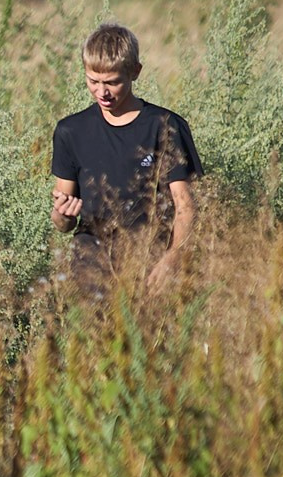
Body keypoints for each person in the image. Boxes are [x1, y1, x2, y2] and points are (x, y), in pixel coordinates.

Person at [50, 23, 201, 293]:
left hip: (149, 260)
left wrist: (172, 259)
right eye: (93, 81)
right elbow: (63, 223)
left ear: (135, 72)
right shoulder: (70, 131)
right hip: (89, 263)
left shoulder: (165, 126)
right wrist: (62, 214)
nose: (102, 92)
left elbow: (186, 207)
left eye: (112, 82)